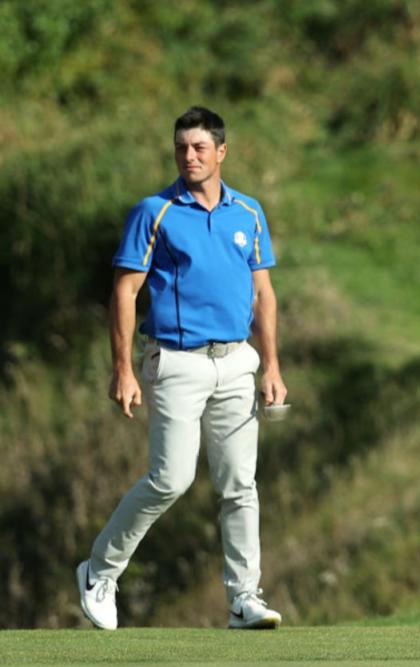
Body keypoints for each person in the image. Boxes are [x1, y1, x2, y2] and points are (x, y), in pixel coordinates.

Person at [77, 106, 286, 630]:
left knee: (240, 483)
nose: (188, 156)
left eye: (198, 148)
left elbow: (263, 293)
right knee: (169, 479)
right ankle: (99, 571)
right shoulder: (155, 211)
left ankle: (244, 598)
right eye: (180, 148)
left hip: (237, 361)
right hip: (175, 361)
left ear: (221, 152)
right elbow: (125, 292)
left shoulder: (249, 213)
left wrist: (272, 367)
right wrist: (122, 369)